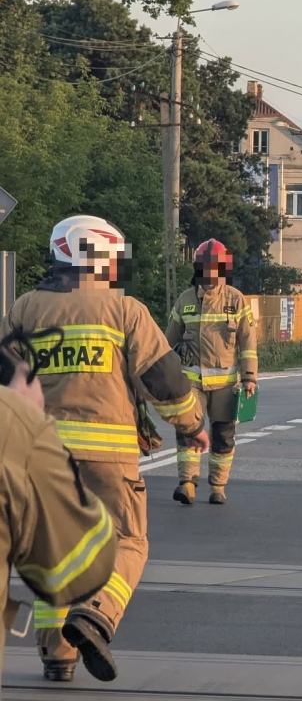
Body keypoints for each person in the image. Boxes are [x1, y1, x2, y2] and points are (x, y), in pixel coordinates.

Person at [0, 215, 208, 684]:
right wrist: (192, 423)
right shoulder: (124, 311)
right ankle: (97, 613)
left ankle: (58, 657)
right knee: (127, 542)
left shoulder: (23, 310)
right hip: (107, 459)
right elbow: (164, 379)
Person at [0, 336, 118, 689]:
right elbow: (78, 566)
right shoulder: (14, 424)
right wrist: (25, 415)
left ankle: (56, 653)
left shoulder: (24, 308)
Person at [165, 238, 257, 506]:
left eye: (215, 266)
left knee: (223, 436)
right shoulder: (185, 300)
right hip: (191, 383)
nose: (210, 272)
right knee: (188, 431)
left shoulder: (236, 300)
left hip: (226, 387)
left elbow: (248, 343)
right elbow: (167, 341)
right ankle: (187, 483)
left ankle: (218, 486)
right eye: (205, 266)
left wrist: (249, 377)